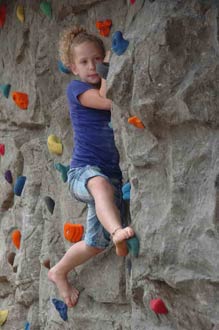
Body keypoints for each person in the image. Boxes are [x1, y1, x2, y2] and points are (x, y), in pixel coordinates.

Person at [48, 26, 135, 308]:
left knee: (94, 244)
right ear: (73, 68)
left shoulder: (95, 82)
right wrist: (110, 67)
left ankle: (59, 271)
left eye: (97, 59)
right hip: (82, 172)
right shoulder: (78, 89)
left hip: (108, 177)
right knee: (99, 185)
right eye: (84, 62)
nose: (92, 66)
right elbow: (108, 102)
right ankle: (117, 230)